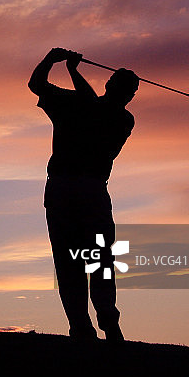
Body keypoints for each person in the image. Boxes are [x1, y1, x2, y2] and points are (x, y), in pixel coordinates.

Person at [28, 47, 139, 342]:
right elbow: (36, 85)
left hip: (76, 189)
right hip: (74, 190)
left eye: (129, 90)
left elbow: (91, 107)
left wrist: (66, 66)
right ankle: (84, 327)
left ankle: (102, 324)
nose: (127, 94)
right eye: (127, 87)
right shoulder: (81, 103)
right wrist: (53, 61)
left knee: (92, 260)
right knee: (78, 261)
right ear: (114, 87)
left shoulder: (121, 119)